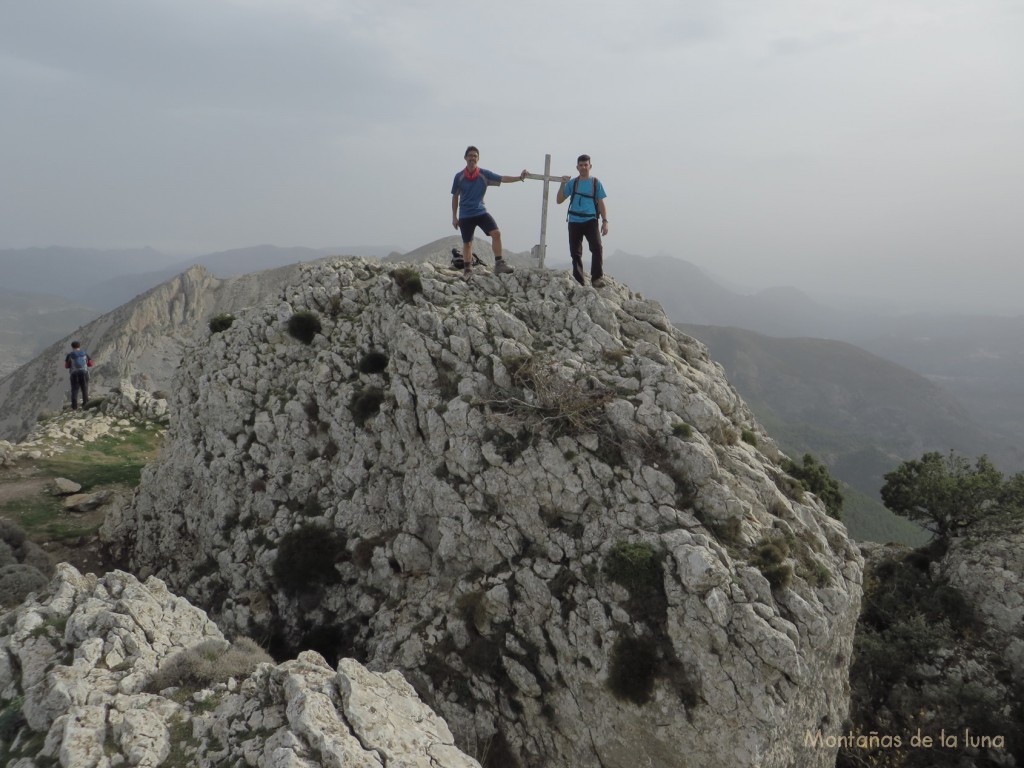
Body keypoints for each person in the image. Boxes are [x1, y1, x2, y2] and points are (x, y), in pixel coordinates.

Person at [451, 146, 528, 280]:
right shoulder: (459, 177)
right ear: (465, 158)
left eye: (475, 156)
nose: (472, 158)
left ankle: (499, 264)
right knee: (467, 243)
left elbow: (502, 178)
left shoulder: (484, 174)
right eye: (470, 155)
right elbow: (455, 197)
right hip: (465, 214)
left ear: (478, 159)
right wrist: (454, 217)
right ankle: (467, 269)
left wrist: (520, 177)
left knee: (496, 233)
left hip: (481, 211)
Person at [556, 154, 609, 287]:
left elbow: (601, 203)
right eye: (581, 165)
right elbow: (559, 200)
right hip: (574, 220)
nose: (584, 167)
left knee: (597, 248)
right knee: (575, 252)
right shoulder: (573, 183)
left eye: (586, 165)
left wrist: (605, 221)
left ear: (590, 166)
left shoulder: (596, 183)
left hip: (591, 220)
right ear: (577, 167)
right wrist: (563, 184)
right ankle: (579, 281)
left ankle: (596, 278)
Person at [64, 340, 93, 410]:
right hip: (84, 373)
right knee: (84, 389)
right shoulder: (85, 354)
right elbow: (91, 364)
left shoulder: (70, 355)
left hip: (74, 374)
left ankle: (74, 406)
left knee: (74, 390)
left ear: (72, 347)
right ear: (79, 346)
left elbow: (66, 366)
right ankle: (85, 405)